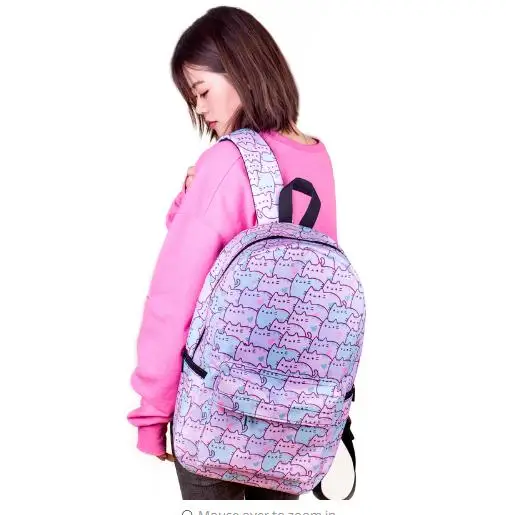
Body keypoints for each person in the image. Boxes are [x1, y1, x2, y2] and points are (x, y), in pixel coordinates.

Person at [127, 5, 339, 500]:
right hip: (293, 416)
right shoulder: (318, 156)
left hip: (215, 410)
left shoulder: (226, 161)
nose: (200, 109)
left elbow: (174, 295)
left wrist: (152, 411)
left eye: (202, 91)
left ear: (242, 68)